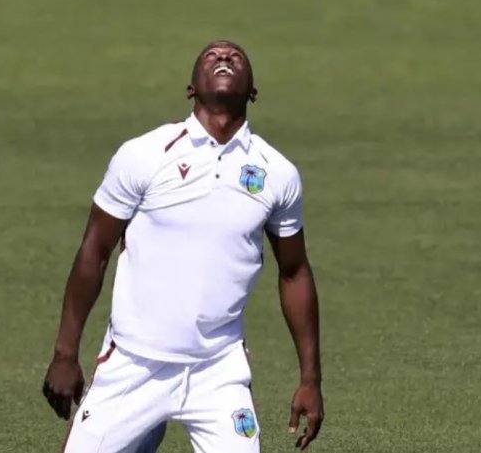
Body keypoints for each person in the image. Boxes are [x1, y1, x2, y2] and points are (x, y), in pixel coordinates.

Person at [42, 40, 324, 452]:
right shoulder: (144, 154)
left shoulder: (277, 174)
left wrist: (310, 380)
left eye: (235, 57)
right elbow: (94, 251)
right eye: (211, 56)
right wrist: (65, 353)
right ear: (191, 88)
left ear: (254, 91)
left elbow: (294, 272)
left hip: (219, 371)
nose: (224, 57)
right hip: (133, 363)